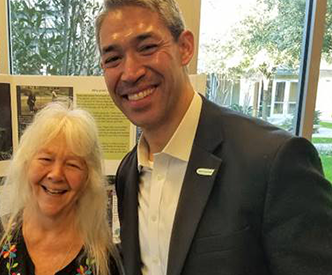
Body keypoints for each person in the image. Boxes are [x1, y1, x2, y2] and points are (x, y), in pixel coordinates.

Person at [96, 1, 332, 275]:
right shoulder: (128, 173)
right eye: (113, 59)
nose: (131, 72)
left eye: (147, 47)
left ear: (184, 47)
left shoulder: (273, 161)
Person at [0, 103, 122, 275]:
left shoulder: (104, 260)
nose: (56, 174)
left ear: (88, 179)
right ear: (25, 164)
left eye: (72, 164)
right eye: (46, 159)